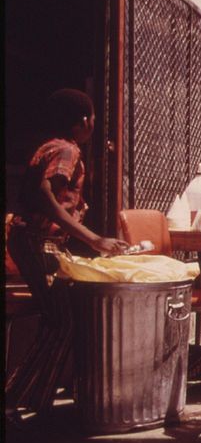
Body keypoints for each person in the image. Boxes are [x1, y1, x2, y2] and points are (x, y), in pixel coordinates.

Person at [6, 89, 129, 420]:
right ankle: (20, 400)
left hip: (35, 239)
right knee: (63, 322)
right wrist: (92, 239)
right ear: (85, 122)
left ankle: (32, 398)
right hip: (38, 239)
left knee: (58, 320)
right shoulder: (67, 150)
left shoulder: (50, 146)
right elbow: (45, 190)